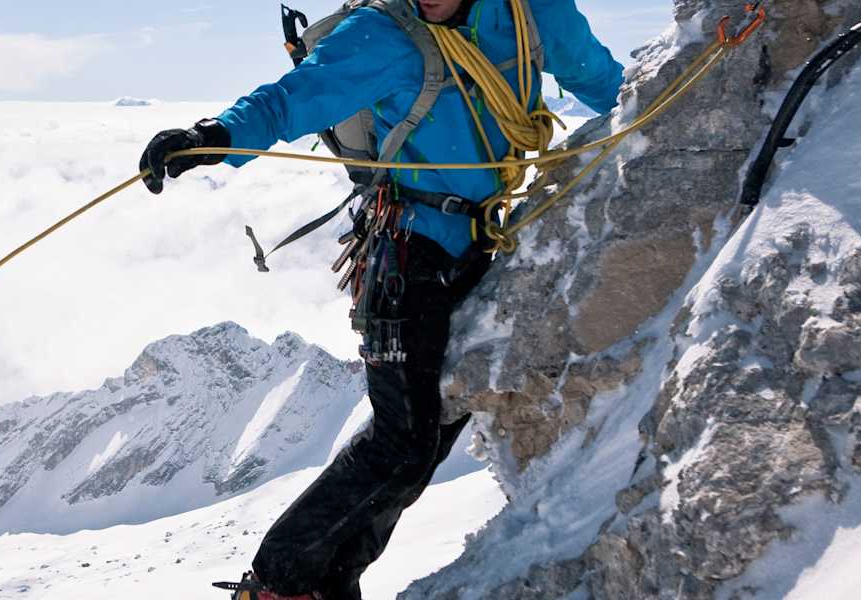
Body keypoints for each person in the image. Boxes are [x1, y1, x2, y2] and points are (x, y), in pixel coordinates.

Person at [139, 1, 623, 598]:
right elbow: (293, 99)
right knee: (405, 442)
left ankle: (333, 582)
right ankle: (276, 581)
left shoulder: (531, 14)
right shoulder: (386, 31)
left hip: (476, 244)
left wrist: (678, 94)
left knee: (434, 429)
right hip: (406, 251)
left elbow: (600, 79)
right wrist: (212, 136)